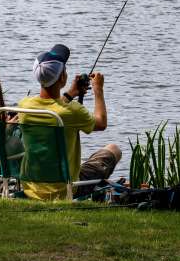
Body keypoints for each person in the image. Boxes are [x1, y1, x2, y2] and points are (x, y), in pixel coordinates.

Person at [18, 44, 121, 200]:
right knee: (113, 149)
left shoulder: (25, 106)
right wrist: (98, 89)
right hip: (65, 189)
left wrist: (71, 93)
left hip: (31, 187)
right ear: (62, 77)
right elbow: (101, 123)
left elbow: (54, 109)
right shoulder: (72, 111)